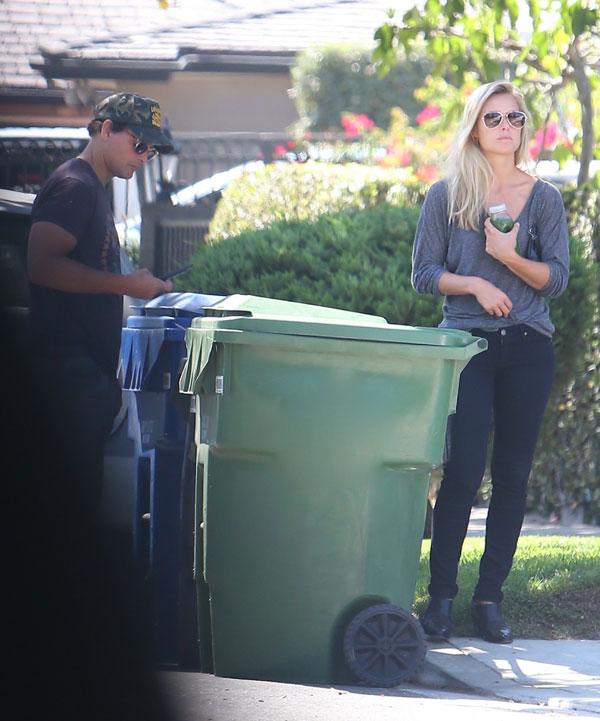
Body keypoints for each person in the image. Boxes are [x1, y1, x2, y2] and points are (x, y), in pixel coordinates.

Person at [411, 80, 569, 643]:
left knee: (512, 476)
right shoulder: (447, 196)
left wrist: (509, 256)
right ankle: (441, 600)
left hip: (529, 347)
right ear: (475, 126)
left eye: (516, 119)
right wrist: (478, 281)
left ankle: (489, 599)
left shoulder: (545, 198)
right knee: (461, 471)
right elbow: (424, 274)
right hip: (468, 346)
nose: (506, 127)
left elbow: (557, 279)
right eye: (494, 118)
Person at [27, 92, 173, 522]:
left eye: (152, 148)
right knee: (68, 523)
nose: (145, 156)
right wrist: (128, 284)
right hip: (64, 379)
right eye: (139, 143)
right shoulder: (75, 185)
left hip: (82, 380)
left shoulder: (93, 189)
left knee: (77, 517)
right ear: (106, 130)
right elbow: (41, 265)